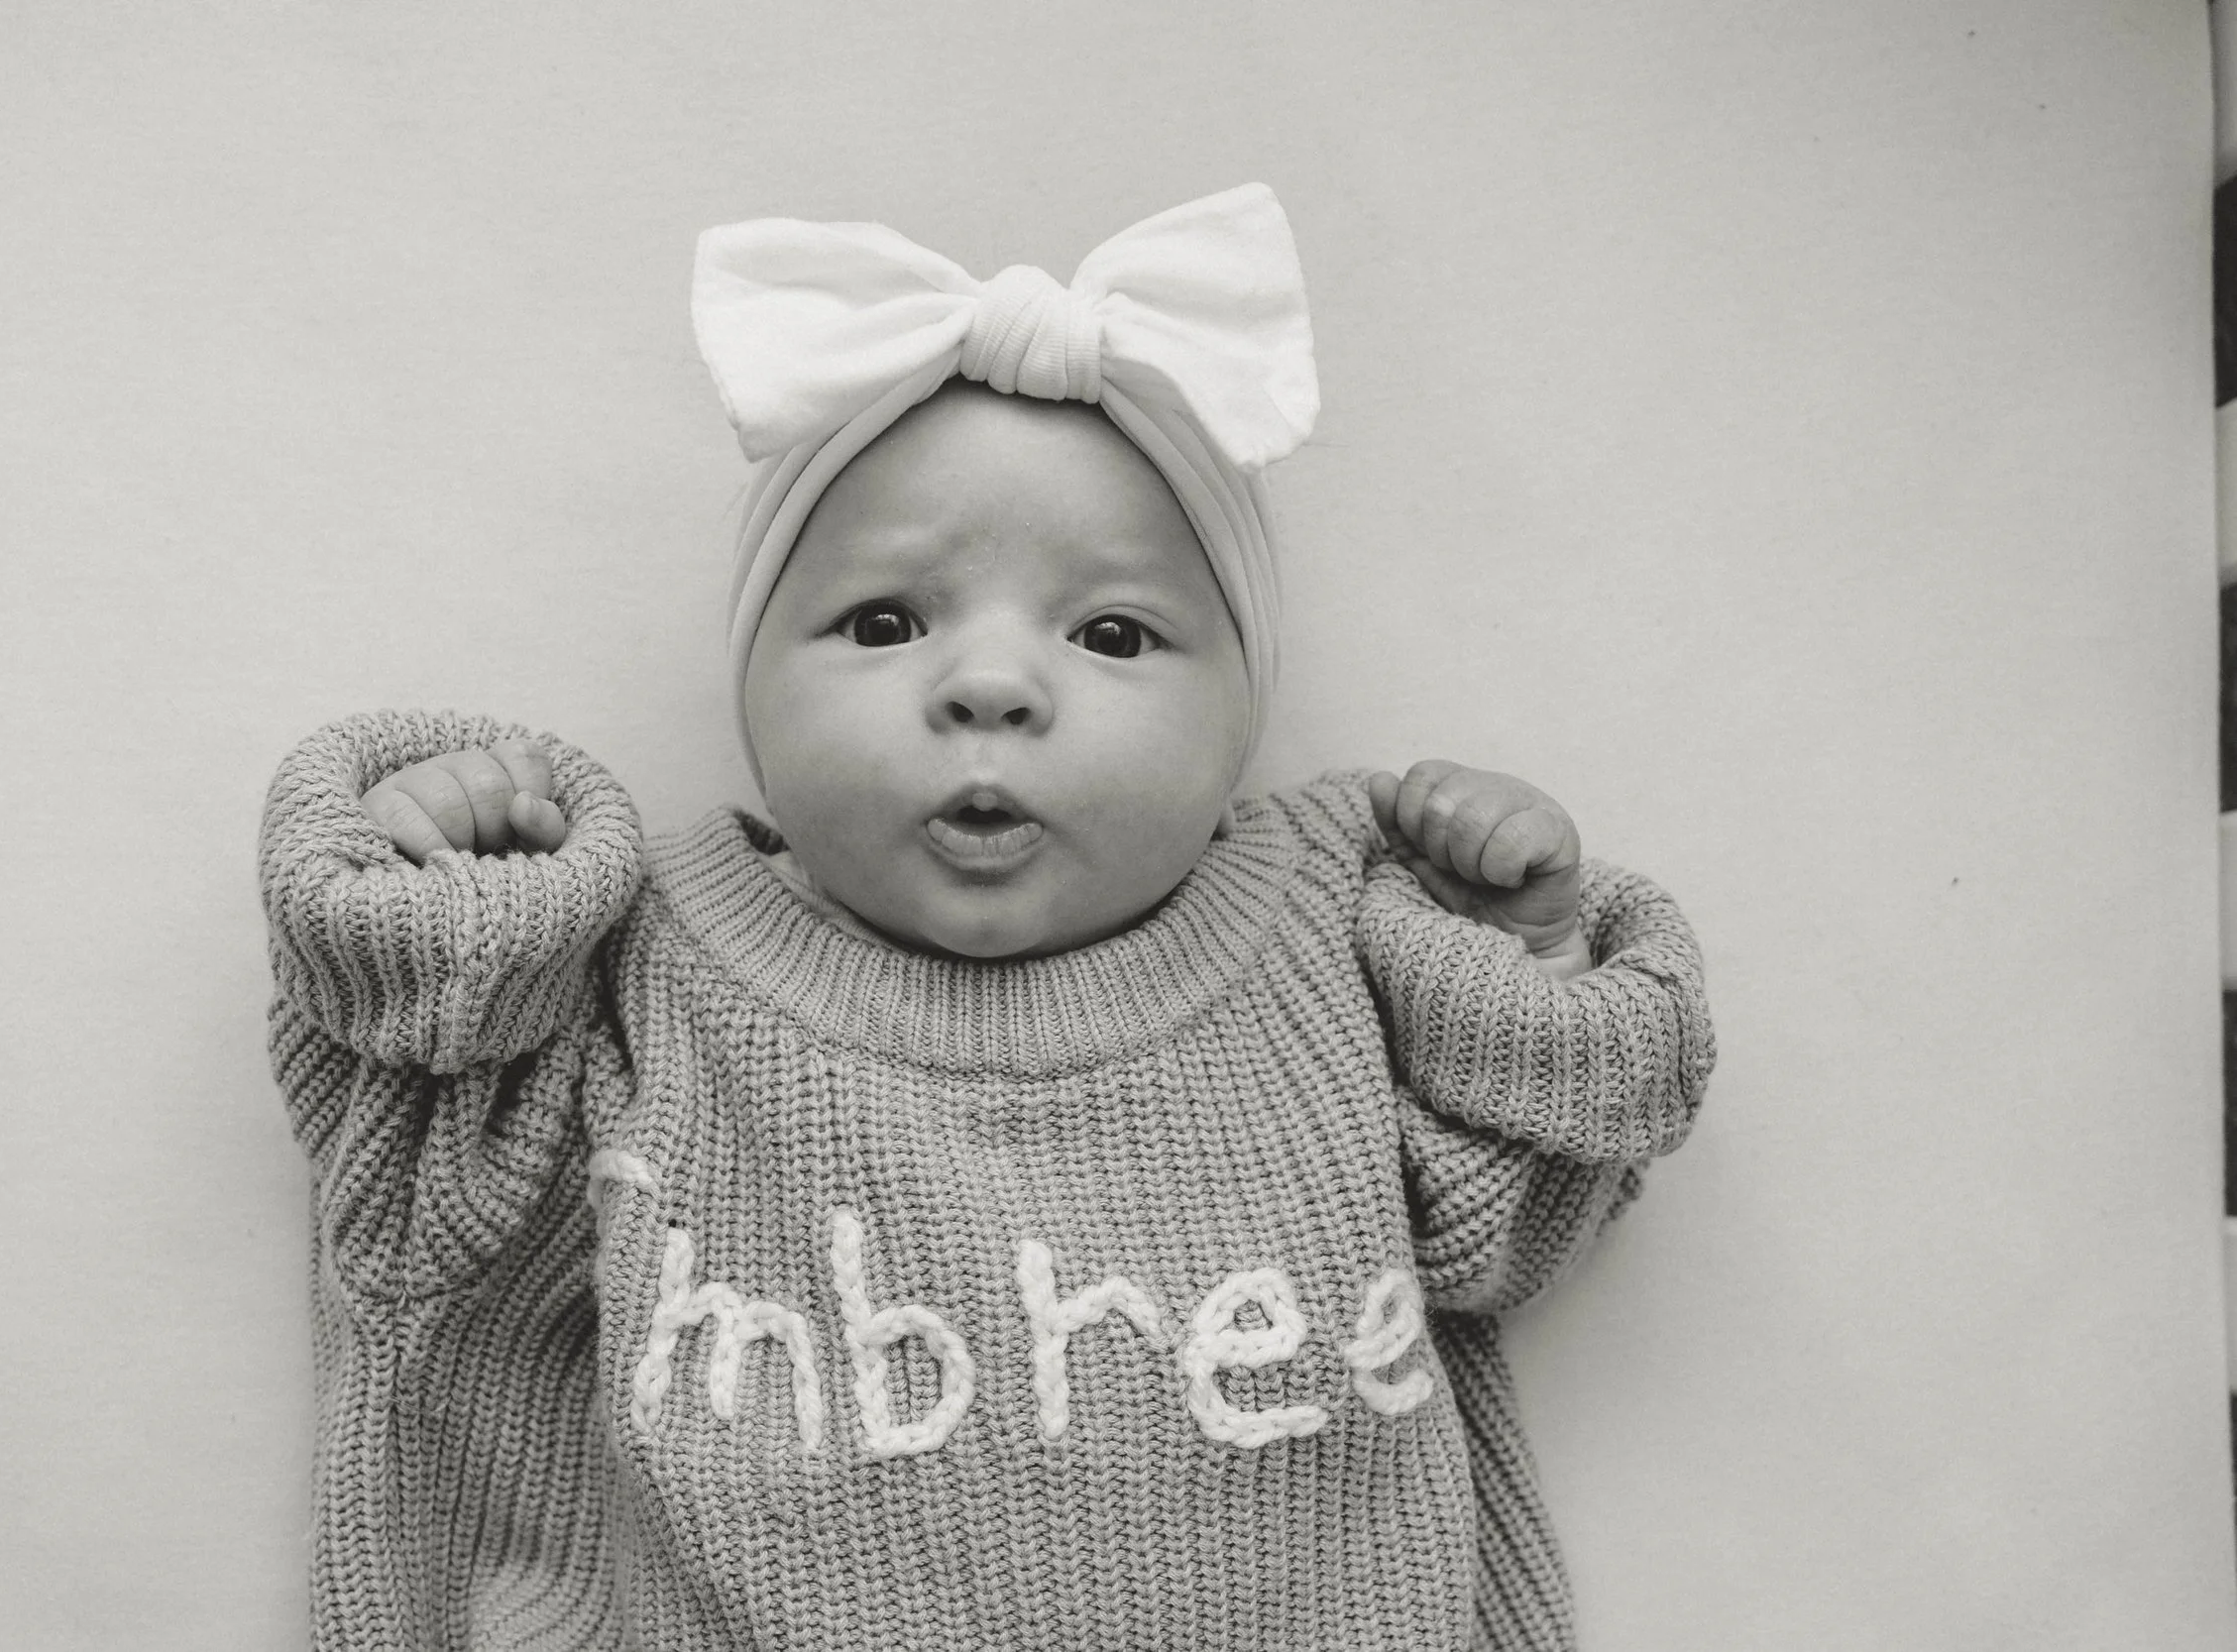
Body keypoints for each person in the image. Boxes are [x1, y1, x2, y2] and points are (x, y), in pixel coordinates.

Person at [258, 183, 1715, 1651]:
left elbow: (1513, 1231)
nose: (992, 686)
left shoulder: (1328, 942)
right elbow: (431, 1215)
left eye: (1114, 633)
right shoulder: (652, 968)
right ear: (751, 685)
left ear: (1242, 715)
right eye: (888, 621)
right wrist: (463, 903)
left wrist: (1519, 963)